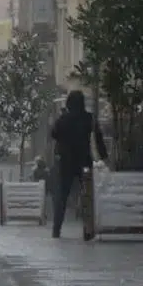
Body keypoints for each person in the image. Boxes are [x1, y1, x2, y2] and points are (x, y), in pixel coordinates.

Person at [49, 90, 108, 238]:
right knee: (87, 196)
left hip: (66, 162)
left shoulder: (63, 119)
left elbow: (54, 134)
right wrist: (103, 156)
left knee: (62, 196)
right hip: (83, 160)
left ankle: (57, 229)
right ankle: (88, 230)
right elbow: (98, 138)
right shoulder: (89, 118)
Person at [32, 157, 54, 222]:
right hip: (44, 190)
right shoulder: (46, 172)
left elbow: (34, 180)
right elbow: (49, 181)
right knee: (43, 202)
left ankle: (38, 214)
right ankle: (42, 214)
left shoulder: (35, 171)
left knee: (38, 202)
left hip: (37, 189)